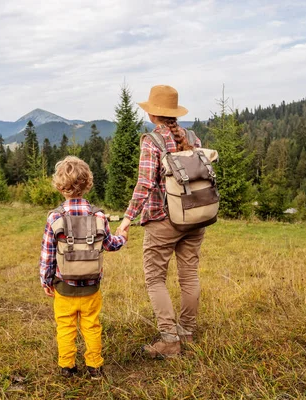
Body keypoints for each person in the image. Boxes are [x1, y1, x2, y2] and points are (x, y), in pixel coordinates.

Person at [118, 85, 205, 358]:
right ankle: (187, 333)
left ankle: (169, 340)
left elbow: (144, 184)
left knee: (155, 278)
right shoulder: (192, 137)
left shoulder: (152, 141)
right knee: (189, 275)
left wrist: (126, 220)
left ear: (153, 114)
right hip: (195, 216)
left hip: (163, 219)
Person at [40, 156, 128, 378]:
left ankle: (67, 366)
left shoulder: (55, 217)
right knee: (91, 326)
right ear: (88, 183)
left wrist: (46, 280)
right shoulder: (98, 215)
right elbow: (110, 245)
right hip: (91, 287)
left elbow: (47, 254)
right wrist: (122, 237)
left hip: (64, 287)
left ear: (59, 186)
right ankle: (95, 366)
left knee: (66, 327)